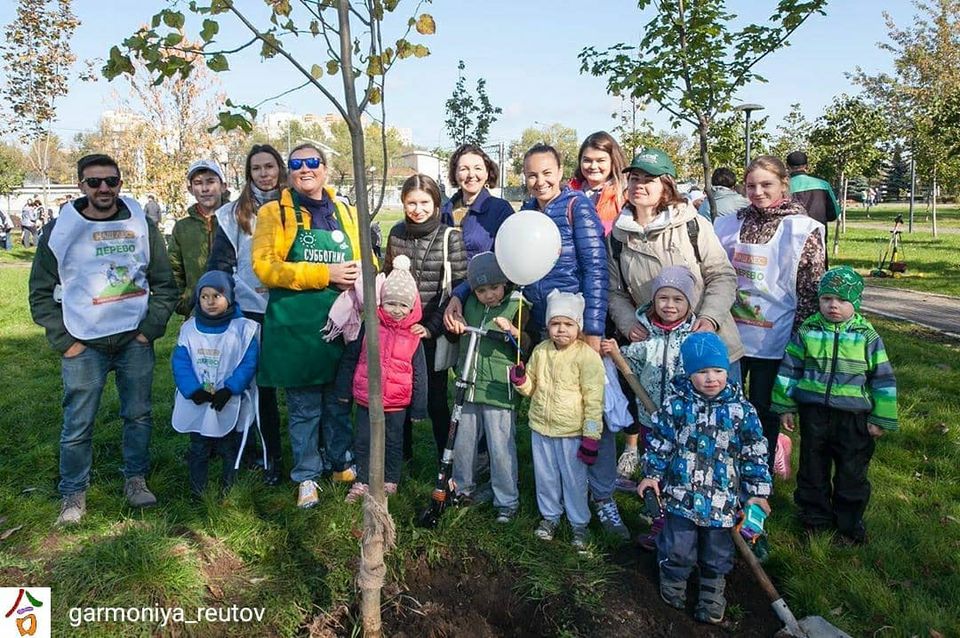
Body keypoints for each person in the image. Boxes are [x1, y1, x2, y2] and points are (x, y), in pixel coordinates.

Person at [28, 154, 178, 526]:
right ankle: (73, 494)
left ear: (120, 184)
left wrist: (149, 331)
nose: (103, 189)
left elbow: (164, 283)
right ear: (80, 186)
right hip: (83, 343)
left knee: (138, 416)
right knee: (78, 423)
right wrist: (64, 340)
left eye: (110, 181)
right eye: (94, 182)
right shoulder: (59, 230)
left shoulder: (141, 225)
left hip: (133, 340)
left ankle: (136, 479)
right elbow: (40, 292)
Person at [607, 148, 742, 497]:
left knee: (713, 438)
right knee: (664, 432)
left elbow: (722, 276)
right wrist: (627, 324)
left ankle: (725, 512)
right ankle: (666, 514)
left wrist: (709, 319)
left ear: (666, 185)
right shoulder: (619, 236)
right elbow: (614, 291)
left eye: (648, 180)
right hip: (656, 350)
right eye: (634, 178)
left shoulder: (692, 225)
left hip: (705, 345)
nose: (639, 185)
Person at [252, 143, 366, 508]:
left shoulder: (345, 211)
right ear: (289, 172)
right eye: (296, 164)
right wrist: (324, 273)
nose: (305, 169)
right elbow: (266, 268)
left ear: (325, 168)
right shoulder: (274, 213)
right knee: (303, 408)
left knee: (338, 402)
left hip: (341, 325)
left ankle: (340, 462)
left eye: (312, 162)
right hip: (295, 327)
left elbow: (365, 259)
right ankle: (306, 475)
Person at [638, 332, 771, 625]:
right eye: (702, 371)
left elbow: (755, 453)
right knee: (677, 546)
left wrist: (758, 493)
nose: (711, 378)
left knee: (717, 552)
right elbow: (660, 443)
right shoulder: (677, 405)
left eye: (718, 371)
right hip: (680, 496)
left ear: (727, 370)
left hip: (721, 502)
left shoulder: (742, 411)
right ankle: (673, 583)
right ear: (689, 372)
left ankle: (712, 592)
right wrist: (651, 476)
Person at [714, 155, 825, 471]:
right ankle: (729, 465)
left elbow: (810, 288)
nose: (758, 191)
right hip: (731, 333)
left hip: (774, 338)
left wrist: (799, 342)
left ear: (783, 185)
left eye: (766, 184)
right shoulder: (728, 223)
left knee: (764, 407)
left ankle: (759, 473)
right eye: (751, 185)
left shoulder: (802, 229)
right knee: (727, 403)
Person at [772, 267, 898, 545]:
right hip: (815, 413)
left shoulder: (866, 336)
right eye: (827, 299)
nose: (833, 306)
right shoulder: (808, 331)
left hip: (853, 418)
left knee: (851, 473)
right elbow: (790, 369)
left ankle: (849, 526)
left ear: (856, 303)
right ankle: (814, 519)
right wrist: (785, 406)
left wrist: (881, 416)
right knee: (812, 468)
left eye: (841, 300)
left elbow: (883, 378)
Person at [208, 144, 286, 485]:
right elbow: (220, 264)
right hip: (249, 309)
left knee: (302, 387)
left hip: (291, 306)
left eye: (270, 166)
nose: (264, 173)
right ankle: (262, 455)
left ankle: (313, 452)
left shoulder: (295, 204)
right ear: (248, 174)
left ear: (280, 169)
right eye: (257, 168)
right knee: (258, 388)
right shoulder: (233, 213)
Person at [510, 291, 605, 552]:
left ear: (578, 326)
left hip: (572, 432)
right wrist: (521, 381)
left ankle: (579, 524)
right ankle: (549, 517)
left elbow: (594, 400)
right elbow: (531, 388)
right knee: (546, 476)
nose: (561, 330)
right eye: (555, 324)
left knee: (574, 480)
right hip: (541, 428)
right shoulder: (541, 351)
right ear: (547, 326)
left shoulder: (587, 356)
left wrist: (591, 435)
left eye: (568, 324)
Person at [384, 174, 467, 456]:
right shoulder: (396, 233)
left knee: (434, 399)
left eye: (424, 202)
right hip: (399, 328)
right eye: (411, 203)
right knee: (398, 394)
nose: (417, 209)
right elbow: (388, 278)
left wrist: (431, 327)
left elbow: (457, 289)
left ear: (435, 204)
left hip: (432, 330)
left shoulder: (450, 237)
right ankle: (401, 456)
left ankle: (446, 458)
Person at [618, 265, 699, 549]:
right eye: (663, 298)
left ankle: (679, 520)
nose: (670, 305)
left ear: (689, 303)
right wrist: (614, 352)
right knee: (653, 470)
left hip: (681, 424)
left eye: (678, 300)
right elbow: (631, 361)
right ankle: (658, 524)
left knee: (677, 472)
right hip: (650, 420)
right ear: (653, 300)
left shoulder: (693, 339)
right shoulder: (646, 333)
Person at [341, 256, 427, 503]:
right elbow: (352, 358)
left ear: (411, 308)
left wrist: (419, 407)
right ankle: (363, 480)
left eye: (403, 306)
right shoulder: (370, 326)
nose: (396, 310)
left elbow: (420, 373)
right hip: (367, 398)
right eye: (391, 304)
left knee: (393, 441)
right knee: (363, 440)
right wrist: (344, 390)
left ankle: (390, 479)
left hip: (397, 403)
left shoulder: (414, 336)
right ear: (381, 303)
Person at [451, 252, 528, 522]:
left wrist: (514, 333)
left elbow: (527, 344)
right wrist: (457, 323)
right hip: (469, 383)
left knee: (500, 446)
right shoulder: (469, 302)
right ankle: (462, 488)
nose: (489, 295)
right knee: (463, 441)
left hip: (499, 388)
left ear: (504, 283)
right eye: (481, 290)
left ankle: (506, 499)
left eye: (494, 288)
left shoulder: (517, 304)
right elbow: (457, 322)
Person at [171, 271, 260, 496]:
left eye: (217, 296)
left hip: (227, 398)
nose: (210, 302)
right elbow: (180, 361)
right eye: (204, 297)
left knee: (229, 445)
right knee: (199, 446)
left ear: (229, 297)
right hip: (199, 398)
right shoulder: (189, 329)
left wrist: (231, 388)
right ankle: (197, 490)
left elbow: (249, 362)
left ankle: (228, 489)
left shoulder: (243, 329)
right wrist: (192, 390)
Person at [170, 160, 226, 317]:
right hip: (196, 312)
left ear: (223, 186)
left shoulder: (237, 220)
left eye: (211, 182)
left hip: (236, 310)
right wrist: (185, 302)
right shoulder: (182, 228)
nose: (205, 189)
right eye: (198, 183)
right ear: (190, 189)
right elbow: (174, 269)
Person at [440, 144, 514, 260]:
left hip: (486, 277)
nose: (471, 175)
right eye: (464, 169)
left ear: (487, 173)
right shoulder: (444, 212)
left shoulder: (500, 210)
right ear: (455, 174)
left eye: (478, 168)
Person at [568, 131, 627, 236]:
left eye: (600, 160)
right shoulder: (568, 193)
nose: (593, 166)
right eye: (587, 160)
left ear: (613, 161)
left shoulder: (624, 195)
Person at [786, 151, 839, 253]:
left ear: (787, 166)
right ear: (807, 166)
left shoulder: (782, 187)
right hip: (818, 238)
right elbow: (833, 214)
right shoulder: (823, 185)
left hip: (792, 241)